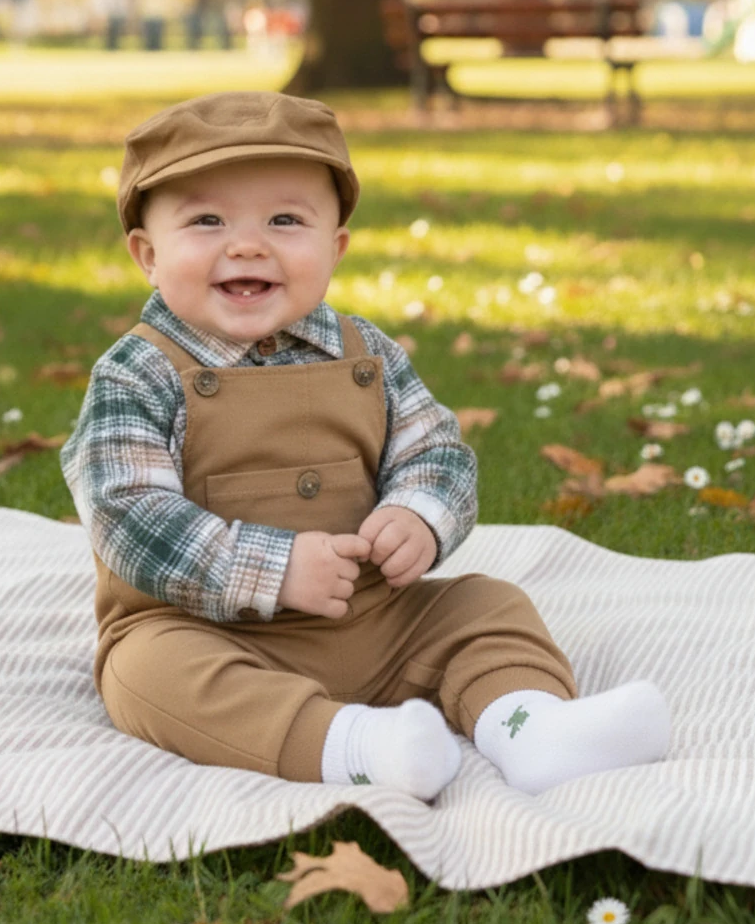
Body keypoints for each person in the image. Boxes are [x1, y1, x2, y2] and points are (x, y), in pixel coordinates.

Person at [61, 92, 671, 801]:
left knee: (486, 606)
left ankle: (531, 727)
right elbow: (124, 513)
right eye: (206, 221)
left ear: (335, 246)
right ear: (147, 254)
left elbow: (436, 452)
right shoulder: (137, 372)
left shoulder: (366, 353)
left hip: (375, 620)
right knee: (147, 675)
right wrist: (273, 569)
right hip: (207, 629)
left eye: (285, 220)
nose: (248, 244)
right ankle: (356, 746)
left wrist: (419, 515)